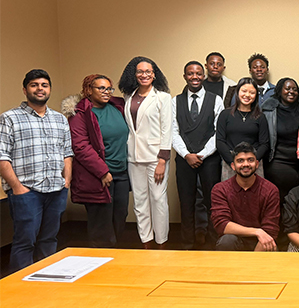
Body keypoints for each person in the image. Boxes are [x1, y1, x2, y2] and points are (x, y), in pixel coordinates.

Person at [0, 69, 73, 273]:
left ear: (49, 89)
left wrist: (66, 181)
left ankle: (45, 286)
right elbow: (2, 156)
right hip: (27, 192)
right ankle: (20, 293)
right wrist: (17, 187)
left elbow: (67, 152)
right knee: (25, 242)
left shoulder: (59, 119)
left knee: (49, 240)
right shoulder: (9, 118)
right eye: (34, 85)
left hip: (56, 190)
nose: (40, 89)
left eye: (44, 85)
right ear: (25, 90)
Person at [62, 74, 129, 248]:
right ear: (88, 90)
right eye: (101, 88)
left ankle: (118, 259)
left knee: (120, 217)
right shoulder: (80, 114)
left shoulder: (117, 106)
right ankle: (102, 264)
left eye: (109, 88)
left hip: (121, 174)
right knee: (101, 225)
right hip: (98, 176)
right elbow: (80, 147)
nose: (106, 92)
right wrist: (103, 171)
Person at [119, 56, 172, 249]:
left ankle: (161, 242)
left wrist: (162, 160)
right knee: (140, 201)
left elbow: (167, 129)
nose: (144, 75)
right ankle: (146, 241)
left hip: (155, 157)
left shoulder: (163, 98)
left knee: (158, 199)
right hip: (133, 157)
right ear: (134, 74)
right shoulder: (129, 97)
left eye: (148, 71)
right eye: (140, 72)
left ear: (154, 74)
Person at [172, 61, 224, 250]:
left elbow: (219, 132)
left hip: (209, 159)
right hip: (184, 159)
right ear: (184, 76)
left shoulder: (215, 99)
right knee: (186, 203)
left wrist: (201, 154)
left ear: (203, 76)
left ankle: (212, 243)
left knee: (213, 202)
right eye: (190, 74)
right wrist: (187, 155)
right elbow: (172, 131)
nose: (194, 77)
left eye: (198, 74)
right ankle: (187, 243)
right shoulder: (174, 101)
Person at [211, 142, 280, 251]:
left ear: (257, 164)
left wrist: (251, 263)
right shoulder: (220, 189)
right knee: (226, 240)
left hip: (261, 242)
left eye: (250, 160)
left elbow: (270, 229)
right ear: (233, 166)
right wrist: (256, 231)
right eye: (240, 161)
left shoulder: (270, 190)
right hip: (234, 241)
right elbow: (221, 225)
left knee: (268, 241)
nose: (246, 164)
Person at [262, 77, 299, 204]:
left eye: (294, 89)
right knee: (292, 184)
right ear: (279, 91)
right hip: (279, 159)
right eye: (287, 89)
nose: (291, 91)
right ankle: (284, 220)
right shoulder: (270, 110)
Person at [216, 77, 270, 181]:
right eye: (244, 91)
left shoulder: (260, 117)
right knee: (230, 194)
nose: (247, 95)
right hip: (230, 161)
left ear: (256, 96)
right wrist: (234, 162)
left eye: (252, 92)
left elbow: (265, 143)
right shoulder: (225, 114)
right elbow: (220, 141)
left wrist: (252, 161)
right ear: (237, 92)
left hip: (253, 162)